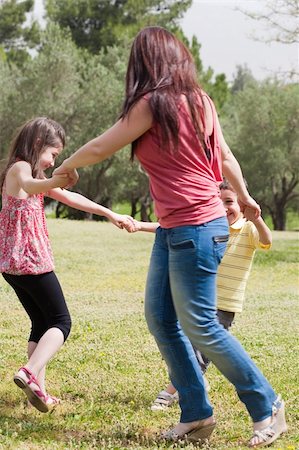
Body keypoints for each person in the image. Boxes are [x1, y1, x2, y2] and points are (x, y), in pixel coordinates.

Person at [53, 27, 287, 447]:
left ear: (145, 62)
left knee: (201, 326)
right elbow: (227, 157)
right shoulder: (200, 102)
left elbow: (100, 147)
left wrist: (64, 168)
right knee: (161, 319)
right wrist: (247, 198)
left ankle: (267, 405)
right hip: (178, 228)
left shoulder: (153, 103)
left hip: (197, 228)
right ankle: (196, 414)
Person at [0, 117, 134, 413]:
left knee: (41, 322)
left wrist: (110, 214)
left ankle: (39, 390)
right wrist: (56, 179)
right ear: (37, 145)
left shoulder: (32, 172)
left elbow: (70, 197)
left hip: (13, 267)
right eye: (53, 154)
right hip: (31, 262)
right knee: (62, 322)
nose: (52, 161)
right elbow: (33, 185)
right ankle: (29, 371)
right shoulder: (21, 168)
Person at [131, 178, 273, 412]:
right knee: (184, 344)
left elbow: (266, 240)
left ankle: (170, 392)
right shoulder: (206, 227)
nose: (225, 208)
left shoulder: (247, 229)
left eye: (229, 202)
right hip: (198, 298)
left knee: (200, 351)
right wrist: (139, 225)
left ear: (242, 204)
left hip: (225, 304)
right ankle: (195, 382)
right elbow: (167, 229)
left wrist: (255, 217)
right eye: (218, 202)